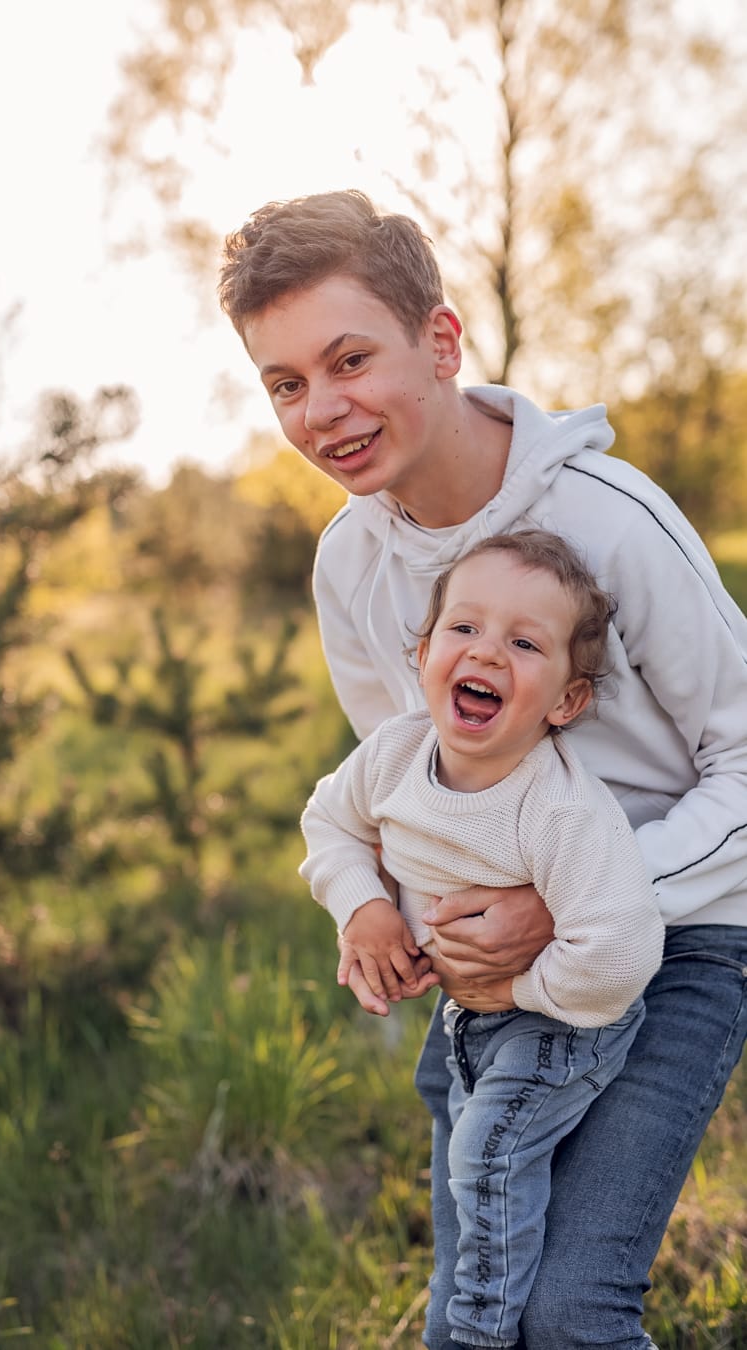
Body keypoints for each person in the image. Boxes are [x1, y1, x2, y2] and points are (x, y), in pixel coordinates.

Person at [217, 188, 747, 1350]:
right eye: (287, 383)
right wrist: (375, 906)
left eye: (350, 358)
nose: (324, 410)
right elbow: (395, 787)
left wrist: (568, 910)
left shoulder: (612, 521)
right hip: (490, 986)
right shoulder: (351, 566)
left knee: (568, 1313)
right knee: (477, 1316)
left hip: (681, 931)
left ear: (442, 341)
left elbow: (745, 760)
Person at [299, 529, 665, 1348]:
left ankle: (476, 1332)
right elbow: (329, 823)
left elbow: (617, 954)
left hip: (564, 1021)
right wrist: (364, 909)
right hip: (467, 1017)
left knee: (489, 1156)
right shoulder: (394, 754)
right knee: (478, 1166)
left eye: (524, 643)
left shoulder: (561, 810)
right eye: (464, 629)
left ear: (565, 701)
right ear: (423, 653)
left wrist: (515, 990)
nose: (487, 652)